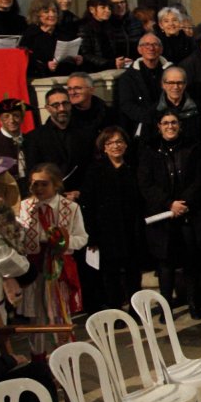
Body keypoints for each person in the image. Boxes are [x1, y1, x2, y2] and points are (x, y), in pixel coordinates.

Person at [138, 111, 201, 318]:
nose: (170, 126)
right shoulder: (149, 150)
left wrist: (183, 203)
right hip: (162, 215)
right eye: (166, 123)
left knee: (191, 261)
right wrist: (169, 204)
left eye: (174, 122)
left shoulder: (193, 147)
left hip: (189, 212)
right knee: (165, 264)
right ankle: (166, 307)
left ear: (180, 125)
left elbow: (200, 179)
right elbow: (145, 184)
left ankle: (194, 304)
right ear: (158, 126)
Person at [16, 164, 88, 352]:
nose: (38, 189)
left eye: (43, 184)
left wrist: (64, 241)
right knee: (36, 317)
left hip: (58, 270)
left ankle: (65, 358)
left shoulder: (70, 208)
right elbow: (20, 239)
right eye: (34, 185)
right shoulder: (25, 206)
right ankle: (38, 361)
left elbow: (82, 238)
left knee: (60, 314)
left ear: (56, 185)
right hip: (34, 268)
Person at [78, 127, 144, 312]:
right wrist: (92, 235)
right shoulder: (95, 171)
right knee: (110, 277)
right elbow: (88, 205)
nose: (116, 146)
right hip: (106, 233)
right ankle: (115, 311)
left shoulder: (133, 167)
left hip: (131, 230)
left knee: (133, 274)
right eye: (111, 143)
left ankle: (136, 309)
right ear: (104, 147)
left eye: (119, 142)